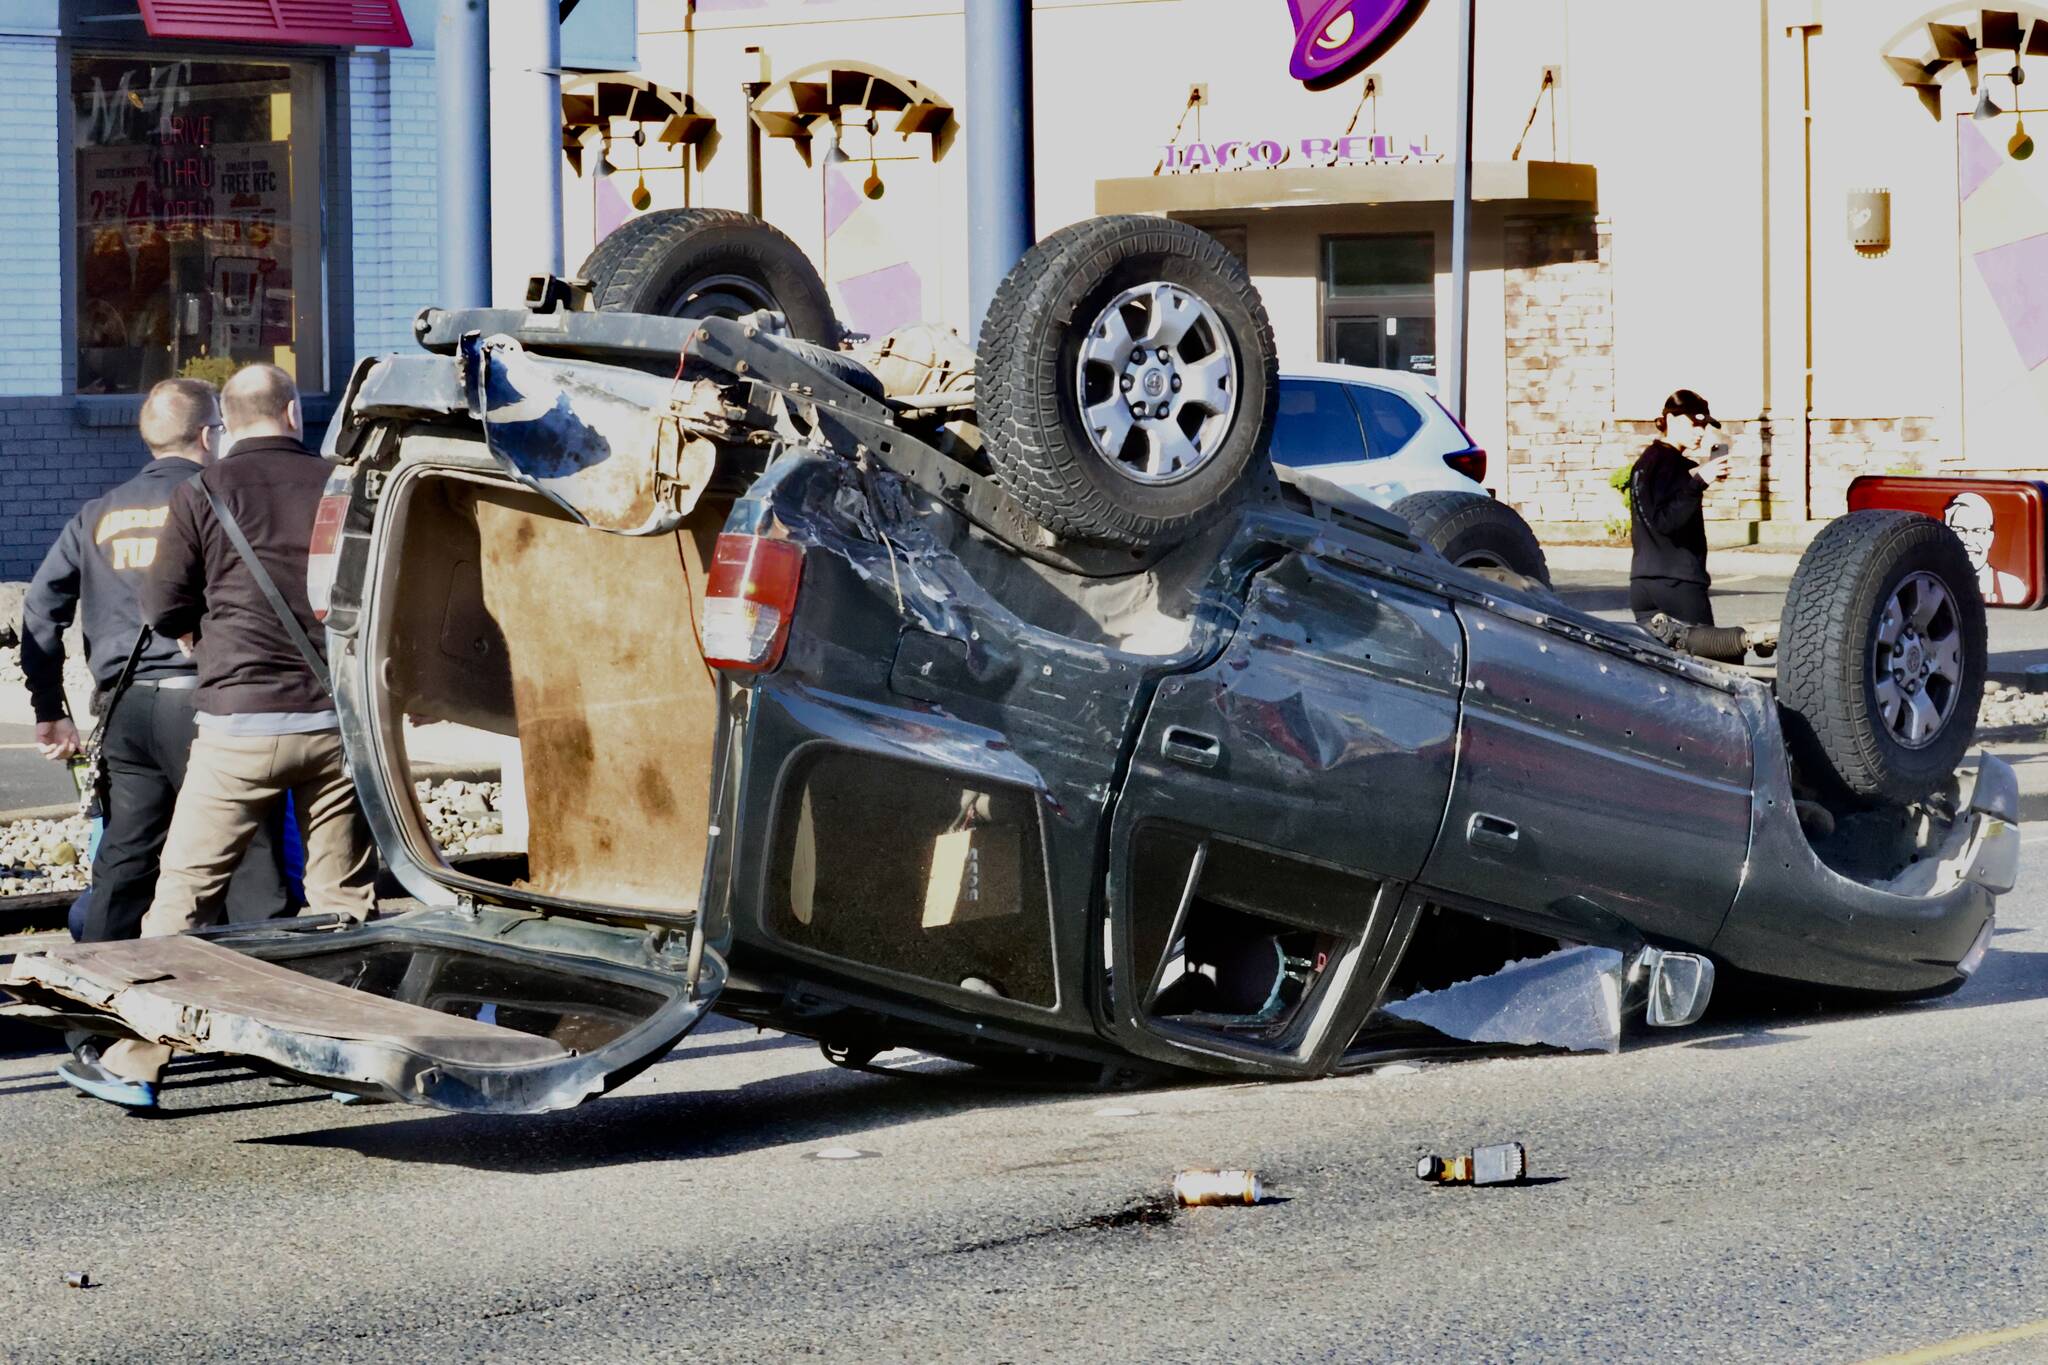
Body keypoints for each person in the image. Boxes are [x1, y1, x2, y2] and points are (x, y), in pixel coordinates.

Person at [62, 365, 376, 1111]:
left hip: (237, 727)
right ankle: (350, 1059)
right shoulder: (342, 483)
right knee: (342, 898)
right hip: (336, 724)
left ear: (226, 426)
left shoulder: (201, 491)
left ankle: (137, 1062)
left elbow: (161, 603)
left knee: (182, 902)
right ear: (295, 413)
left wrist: (206, 638)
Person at [21, 378, 290, 954]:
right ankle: (267, 1003)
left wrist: (51, 710)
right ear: (207, 433)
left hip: (125, 710)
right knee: (250, 858)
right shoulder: (222, 500)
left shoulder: (97, 513)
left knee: (126, 860)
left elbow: (41, 610)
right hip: (210, 705)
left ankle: (96, 1018)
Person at [1628, 388, 1729, 628]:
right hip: (1677, 584)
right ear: (1671, 419)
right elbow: (1665, 521)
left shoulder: (1647, 462)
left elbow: (1657, 509)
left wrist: (1695, 478)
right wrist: (1698, 482)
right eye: (1694, 423)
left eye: (1703, 426)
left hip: (1643, 584)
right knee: (1715, 658)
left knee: (1655, 664)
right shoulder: (1668, 463)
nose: (1700, 432)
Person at [1943, 492, 2026, 605]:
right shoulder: (1931, 585)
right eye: (1959, 530)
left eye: (1978, 531)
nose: (1969, 540)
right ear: (1947, 534)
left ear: (1990, 537)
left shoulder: (2012, 588)